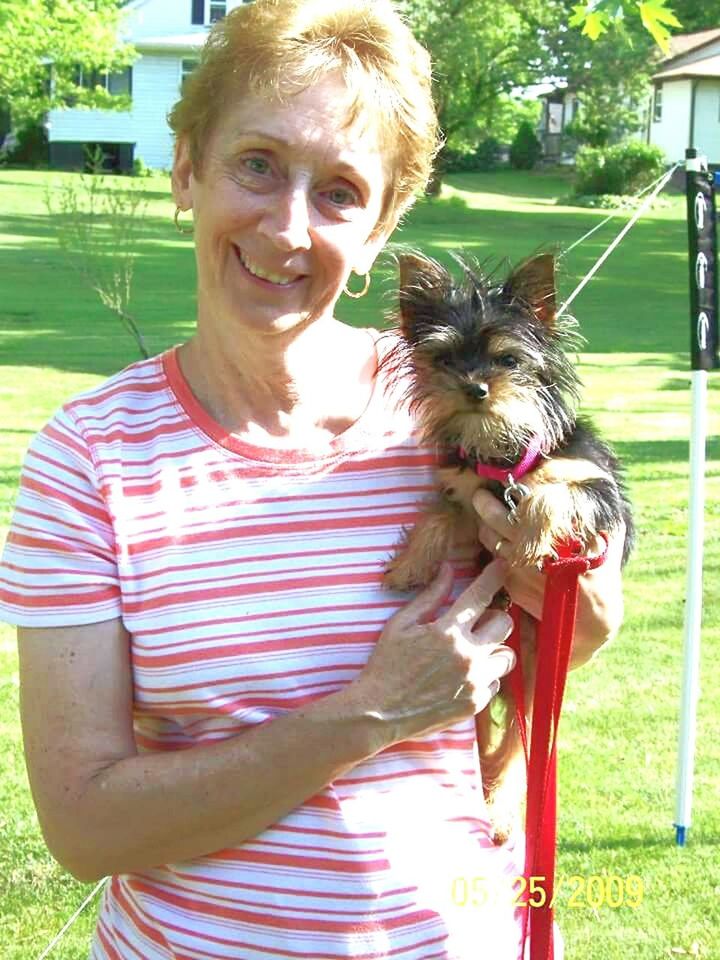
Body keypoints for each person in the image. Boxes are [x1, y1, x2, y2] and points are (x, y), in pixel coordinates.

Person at [0, 2, 626, 957]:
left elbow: (581, 627)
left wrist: (559, 571)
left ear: (380, 233)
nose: (287, 227)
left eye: (339, 191)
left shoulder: (452, 412)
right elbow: (87, 831)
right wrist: (367, 713)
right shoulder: (86, 459)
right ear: (186, 171)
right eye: (257, 163)